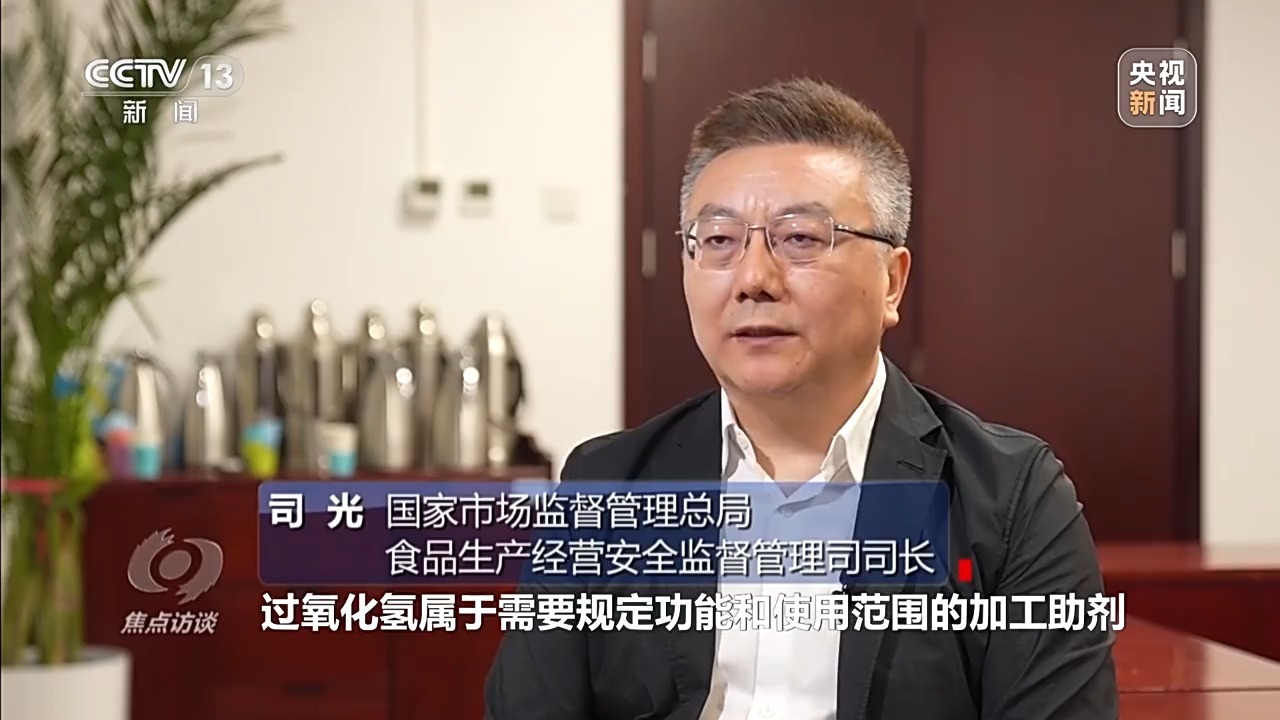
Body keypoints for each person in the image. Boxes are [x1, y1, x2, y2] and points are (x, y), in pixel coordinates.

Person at [485, 78, 1118, 720]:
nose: (753, 279)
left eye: (801, 239)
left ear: (892, 282)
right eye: (719, 240)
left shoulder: (1010, 498)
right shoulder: (606, 485)